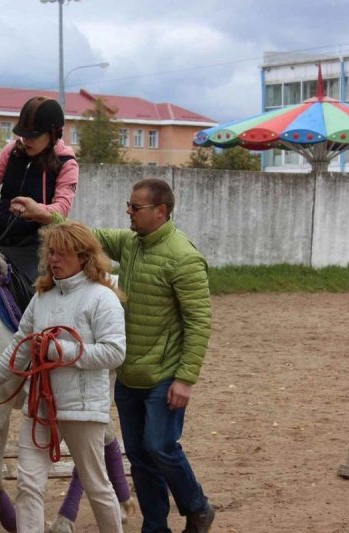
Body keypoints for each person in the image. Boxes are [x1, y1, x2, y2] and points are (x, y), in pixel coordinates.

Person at [11, 178, 216, 533]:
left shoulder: (185, 257)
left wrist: (185, 378)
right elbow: (83, 237)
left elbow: (199, 321)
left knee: (159, 446)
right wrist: (42, 214)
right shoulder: (133, 243)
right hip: (127, 371)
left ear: (161, 211)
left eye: (135, 207)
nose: (128, 212)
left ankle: (197, 506)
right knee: (138, 455)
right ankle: (155, 527)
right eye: (129, 205)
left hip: (164, 373)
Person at [0, 220, 127, 533]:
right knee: (28, 486)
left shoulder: (103, 299)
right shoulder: (41, 298)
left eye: (61, 253)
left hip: (83, 410)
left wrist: (57, 352)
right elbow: (16, 352)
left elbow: (114, 353)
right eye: (51, 252)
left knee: (97, 487)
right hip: (40, 406)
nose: (53, 259)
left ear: (83, 256)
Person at [0, 96, 79, 287]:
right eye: (24, 134)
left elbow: (61, 210)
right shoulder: (11, 151)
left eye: (34, 135)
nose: (26, 140)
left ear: (53, 133)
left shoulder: (67, 164)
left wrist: (36, 210)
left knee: (29, 293)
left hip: (37, 248)